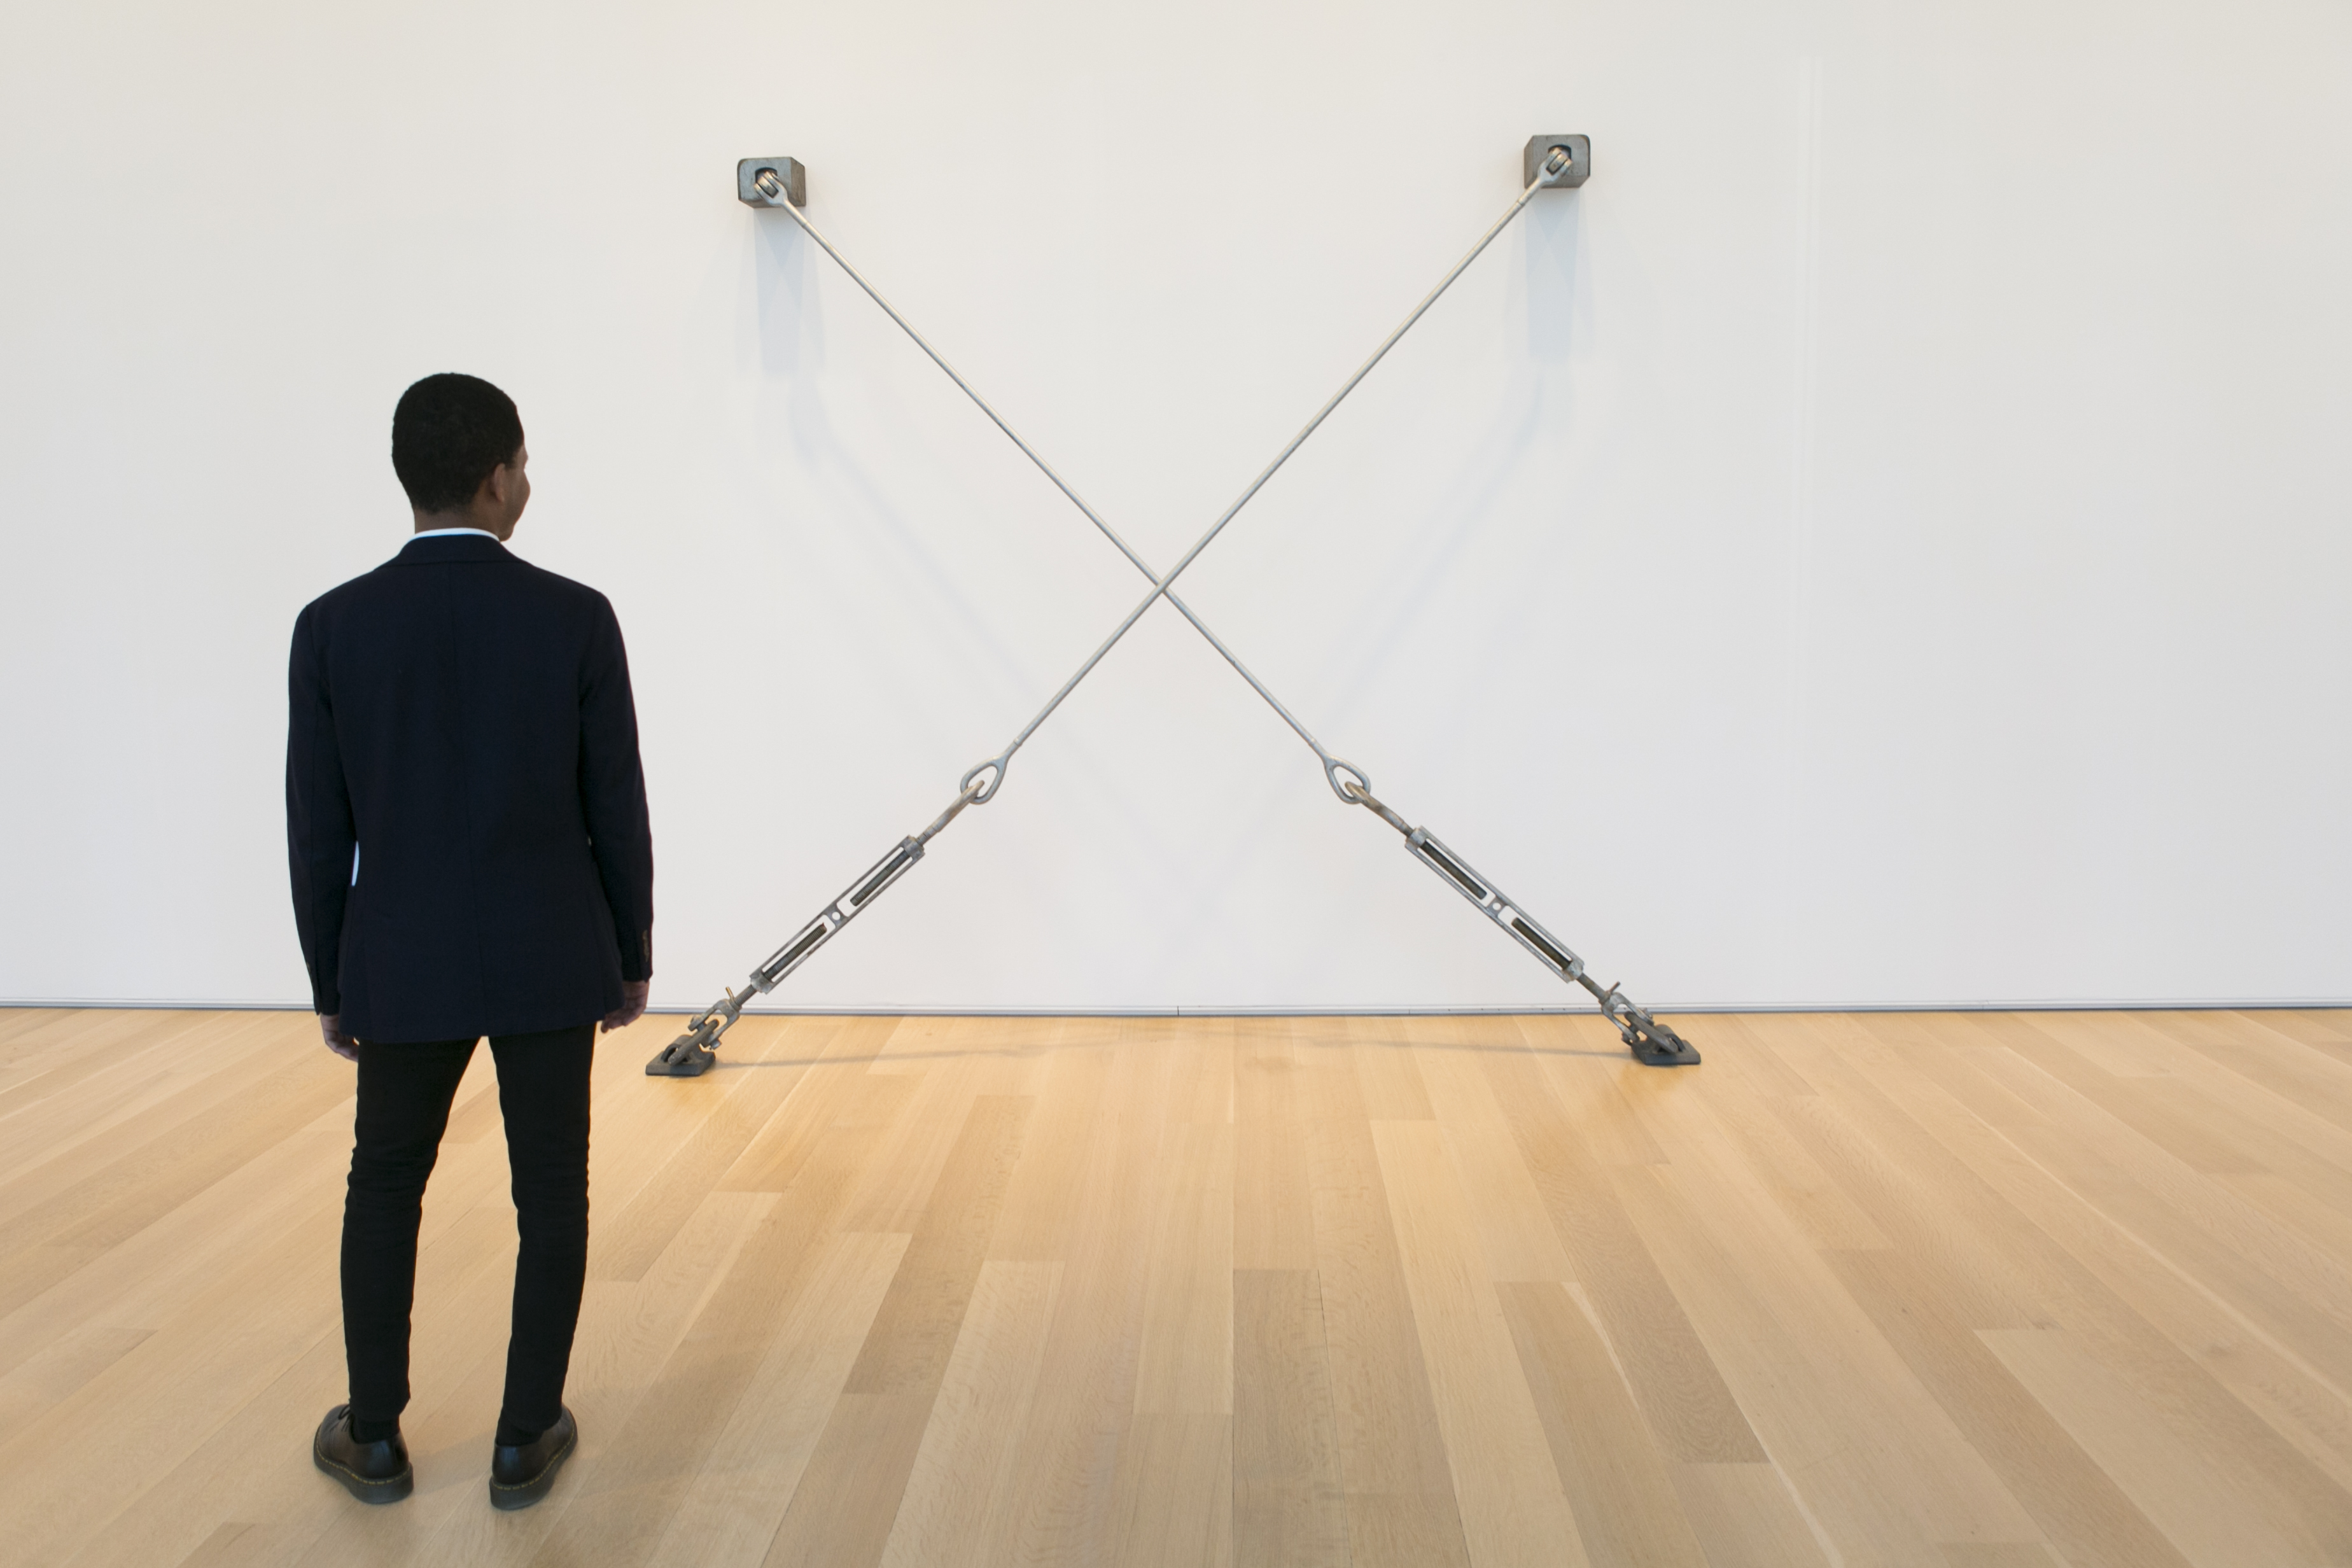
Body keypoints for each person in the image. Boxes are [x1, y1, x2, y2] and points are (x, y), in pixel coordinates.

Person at [287, 373, 654, 1509]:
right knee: (552, 1193)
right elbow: (616, 805)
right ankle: (525, 1433)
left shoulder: (333, 627)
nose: (528, 484)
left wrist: (330, 980)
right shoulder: (575, 616)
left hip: (399, 957)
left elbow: (317, 826)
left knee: (385, 1184)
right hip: (551, 951)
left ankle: (376, 1435)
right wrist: (630, 952)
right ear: (497, 477)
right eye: (525, 465)